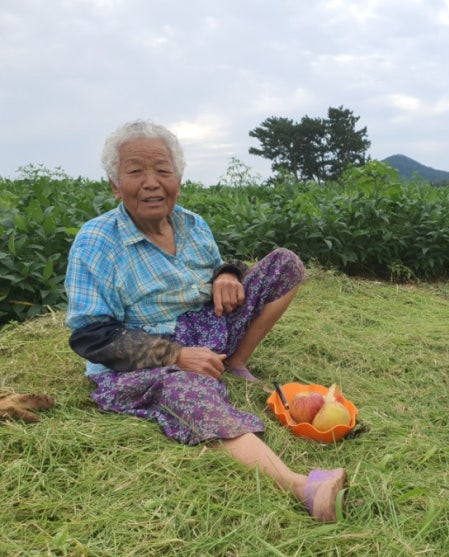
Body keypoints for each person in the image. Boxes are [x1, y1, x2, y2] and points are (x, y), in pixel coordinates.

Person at [65, 120, 346, 523]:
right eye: (135, 171)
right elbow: (90, 336)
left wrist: (227, 275)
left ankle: (234, 362)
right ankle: (300, 486)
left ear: (178, 179)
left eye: (163, 171)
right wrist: (176, 355)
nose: (151, 183)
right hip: (144, 355)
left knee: (285, 263)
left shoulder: (192, 224)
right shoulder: (96, 241)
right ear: (114, 183)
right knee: (185, 386)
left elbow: (215, 268)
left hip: (204, 330)